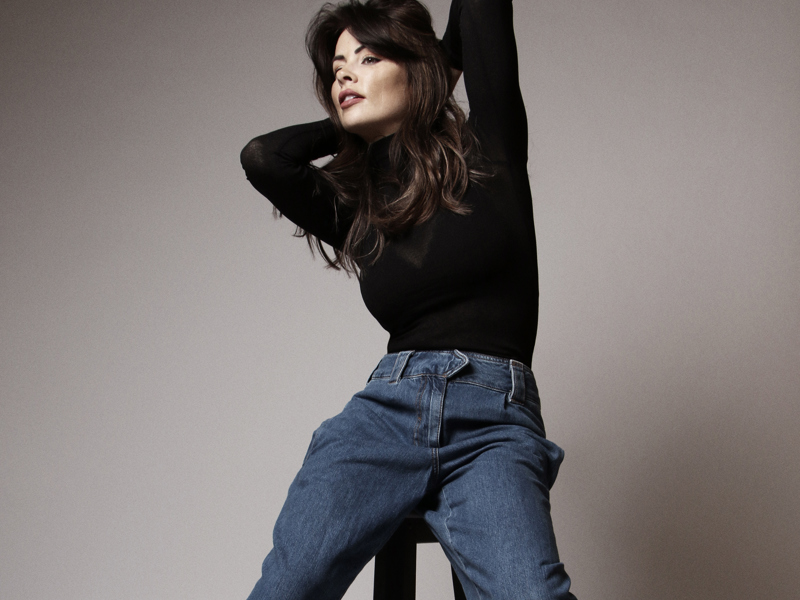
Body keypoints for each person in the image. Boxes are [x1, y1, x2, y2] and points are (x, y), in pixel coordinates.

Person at [240, 0, 577, 598]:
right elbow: (265, 157)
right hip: (385, 415)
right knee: (287, 589)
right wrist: (351, 124)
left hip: (493, 421)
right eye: (338, 66)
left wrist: (438, 67)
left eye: (368, 58)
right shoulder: (358, 214)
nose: (344, 74)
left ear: (415, 71)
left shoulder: (491, 149)